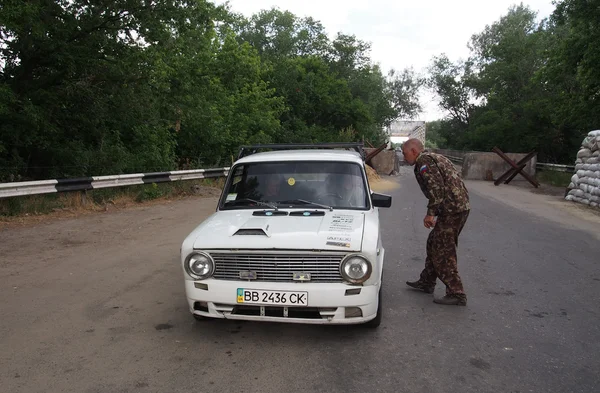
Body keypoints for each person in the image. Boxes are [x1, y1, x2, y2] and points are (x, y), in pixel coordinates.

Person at [401, 139, 470, 306]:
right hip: (457, 207)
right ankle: (427, 281)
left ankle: (457, 293)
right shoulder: (432, 157)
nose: (403, 157)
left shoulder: (424, 162)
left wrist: (430, 214)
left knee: (443, 251)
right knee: (434, 242)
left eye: (405, 153)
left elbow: (436, 188)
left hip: (452, 210)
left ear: (414, 151)